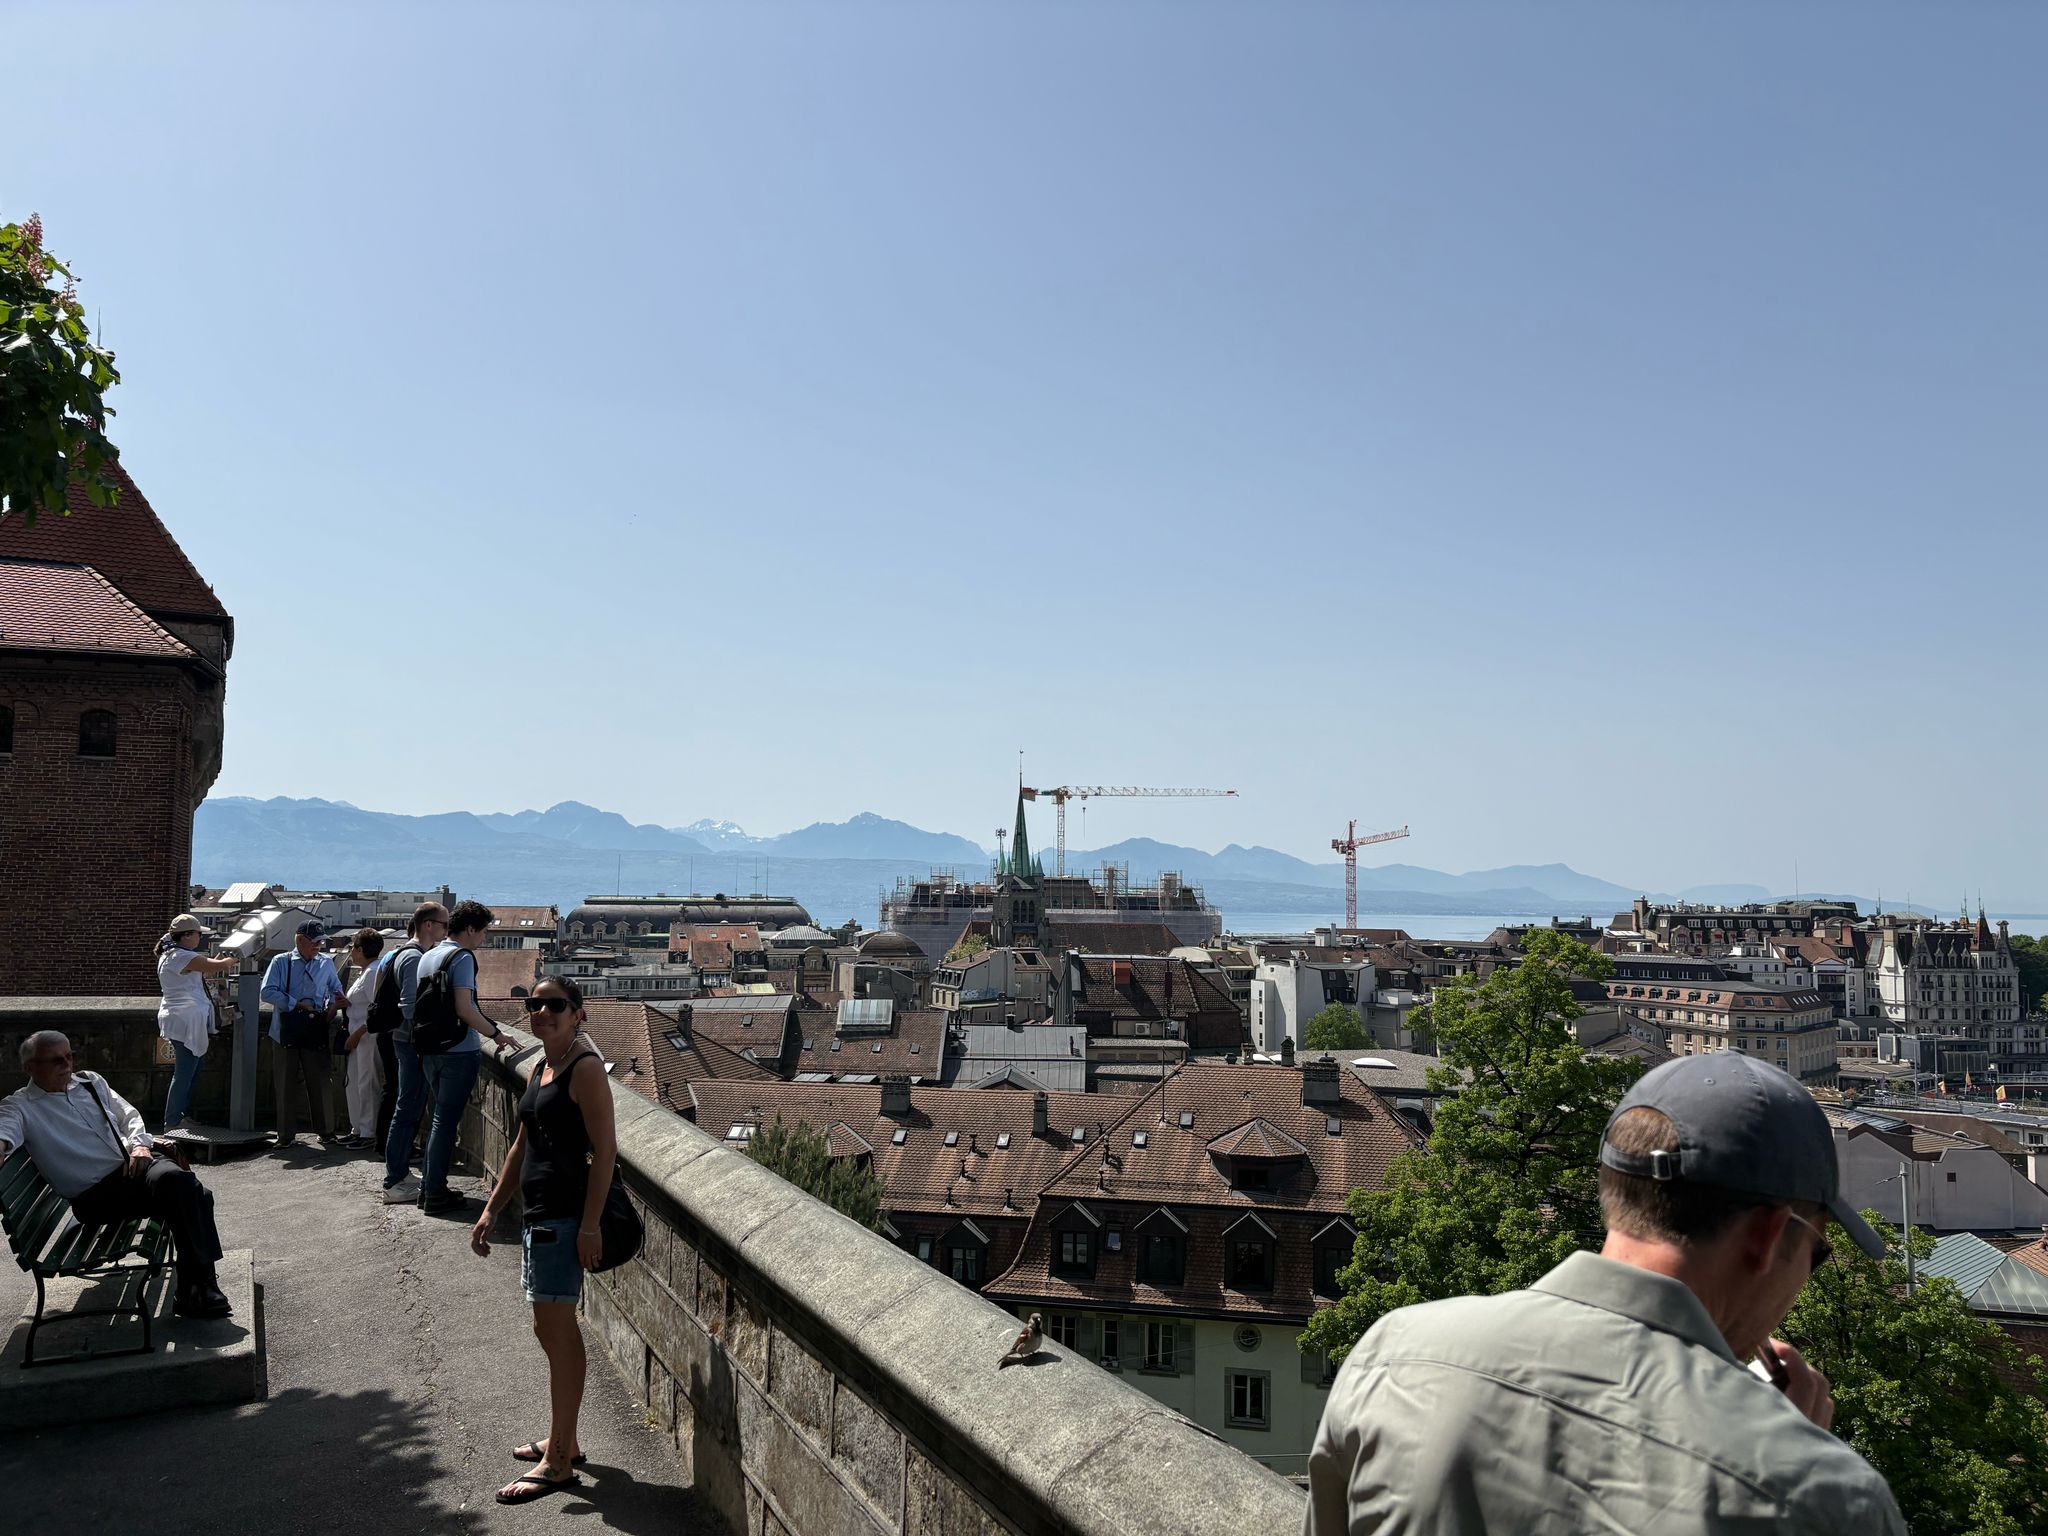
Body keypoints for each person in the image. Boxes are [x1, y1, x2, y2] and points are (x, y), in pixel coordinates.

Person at [1304, 1051, 1907, 1536]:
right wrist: (1788, 1457)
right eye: (1818, 1253)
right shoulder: (1828, 1497)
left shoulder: (1396, 1352)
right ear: (1770, 1233)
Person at [471, 976, 616, 1504]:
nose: (542, 1012)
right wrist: (492, 1208)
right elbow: (520, 1145)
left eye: (555, 1005)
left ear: (579, 1014)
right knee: (547, 1328)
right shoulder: (541, 1067)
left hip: (563, 1220)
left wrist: (591, 1225)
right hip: (537, 1218)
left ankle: (559, 1462)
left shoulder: (585, 1070)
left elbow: (605, 1152)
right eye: (535, 1005)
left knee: (559, 1332)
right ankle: (566, 1440)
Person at [0, 1031, 231, 1319]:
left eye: (69, 1055)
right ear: (30, 1068)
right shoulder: (20, 1107)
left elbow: (128, 1115)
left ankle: (197, 1288)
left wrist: (140, 1146)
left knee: (191, 1190)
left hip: (133, 1167)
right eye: (56, 1059)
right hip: (96, 1195)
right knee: (186, 1189)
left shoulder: (90, 1082)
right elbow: (4, 1131)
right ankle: (198, 1287)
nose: (66, 1064)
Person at [412, 900, 515, 1215]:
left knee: (436, 1121)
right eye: (482, 932)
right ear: (470, 929)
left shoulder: (429, 955)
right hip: (458, 1050)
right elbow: (465, 1008)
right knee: (445, 1123)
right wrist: (497, 1034)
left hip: (430, 1049)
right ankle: (434, 1195)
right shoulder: (462, 958)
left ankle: (430, 1189)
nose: (482, 939)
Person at [379, 902, 448, 1203]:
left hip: (405, 1040)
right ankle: (394, 1179)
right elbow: (409, 1005)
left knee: (408, 1106)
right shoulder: (413, 958)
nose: (447, 931)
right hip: (411, 1042)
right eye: (444, 925)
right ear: (429, 925)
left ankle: (400, 1174)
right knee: (407, 1108)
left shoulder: (403, 953)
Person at [260, 920, 346, 1148]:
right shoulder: (281, 962)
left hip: (315, 1028)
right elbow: (267, 992)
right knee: (285, 1083)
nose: (319, 946)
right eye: (315, 941)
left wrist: (333, 1003)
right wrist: (295, 1004)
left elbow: (335, 988)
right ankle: (286, 1135)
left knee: (320, 1081)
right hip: (287, 1030)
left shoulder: (326, 963)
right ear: (300, 940)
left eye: (321, 942)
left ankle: (326, 1131)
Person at [155, 913, 240, 1133]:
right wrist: (234, 958)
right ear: (186, 936)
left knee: (191, 1069)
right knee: (184, 1072)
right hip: (185, 1020)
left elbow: (205, 965)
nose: (200, 938)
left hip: (180, 1017)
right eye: (197, 934)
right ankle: (173, 1120)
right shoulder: (180, 956)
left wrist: (219, 959)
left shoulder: (172, 955)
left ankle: (180, 1116)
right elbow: (215, 966)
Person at [338, 927, 387, 1149]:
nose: (350, 952)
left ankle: (367, 1131)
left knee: (367, 1083)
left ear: (360, 949)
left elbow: (377, 1010)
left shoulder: (372, 973)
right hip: (359, 1035)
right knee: (356, 1083)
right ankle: (357, 1127)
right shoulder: (367, 971)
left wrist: (357, 1034)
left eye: (352, 948)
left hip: (367, 1037)